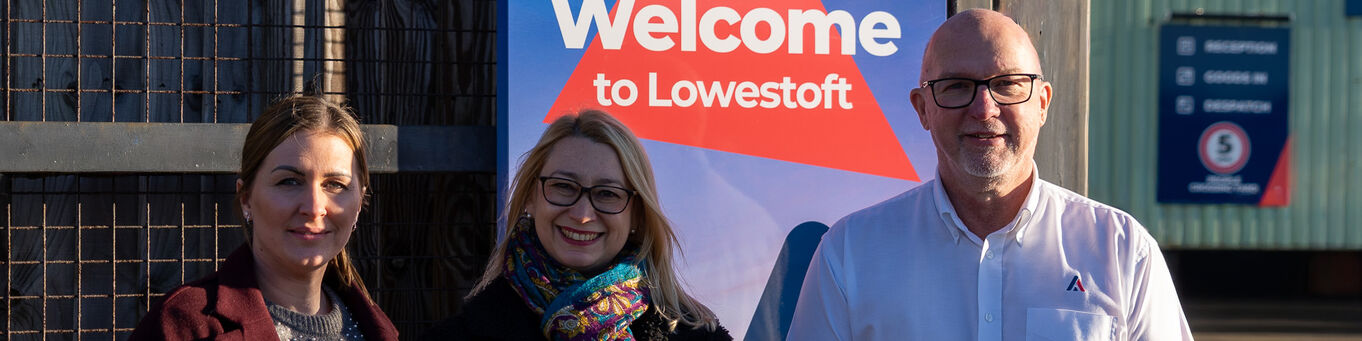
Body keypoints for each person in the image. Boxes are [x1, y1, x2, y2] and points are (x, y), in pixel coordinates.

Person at [787, 9, 1193, 340]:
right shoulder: (850, 254)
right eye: (957, 86)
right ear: (922, 109)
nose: (984, 109)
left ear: (1043, 103)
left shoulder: (1122, 253)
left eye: (1008, 84)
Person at [424, 110, 731, 340]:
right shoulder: (459, 336)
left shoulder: (699, 337)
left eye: (607, 194)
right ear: (531, 196)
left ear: (637, 213)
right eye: (563, 187)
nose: (582, 214)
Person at [130, 95, 399, 340]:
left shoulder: (377, 330)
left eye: (335, 185)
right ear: (246, 197)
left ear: (360, 202)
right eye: (289, 182)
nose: (314, 207)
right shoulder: (184, 327)